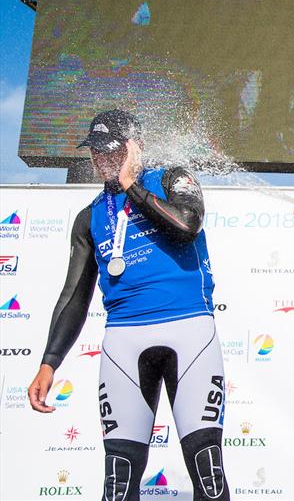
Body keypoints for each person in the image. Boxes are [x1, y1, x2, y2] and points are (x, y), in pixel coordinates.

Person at [28, 109, 229, 501]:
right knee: (118, 482)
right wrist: (49, 362)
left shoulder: (172, 178)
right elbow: (73, 296)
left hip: (190, 335)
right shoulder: (89, 218)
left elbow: (188, 224)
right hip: (123, 343)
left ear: (134, 147)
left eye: (111, 150)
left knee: (208, 472)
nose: (101, 159)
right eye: (95, 152)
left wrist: (131, 186)